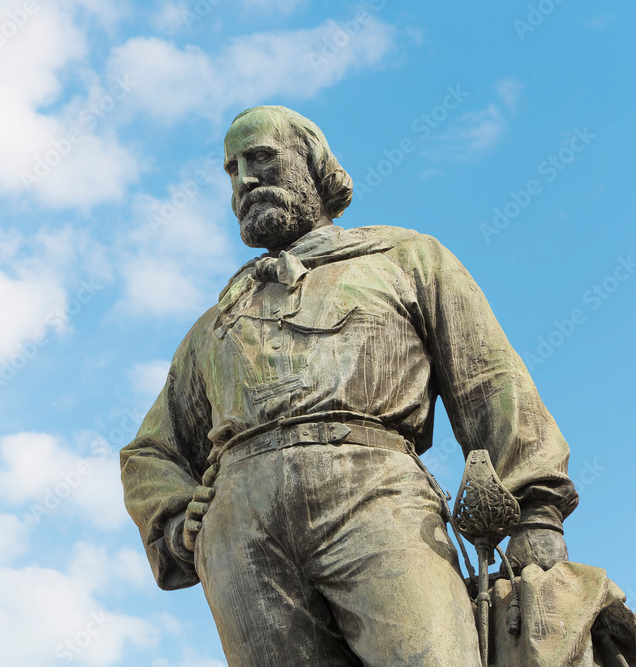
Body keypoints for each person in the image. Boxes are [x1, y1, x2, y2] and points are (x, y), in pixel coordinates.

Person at [119, 105, 578, 666]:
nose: (244, 180)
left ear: (313, 162)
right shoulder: (213, 326)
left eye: (261, 157)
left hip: (377, 497)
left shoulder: (406, 259)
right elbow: (149, 450)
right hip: (239, 531)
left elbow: (489, 379)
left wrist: (535, 511)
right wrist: (175, 524)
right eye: (231, 169)